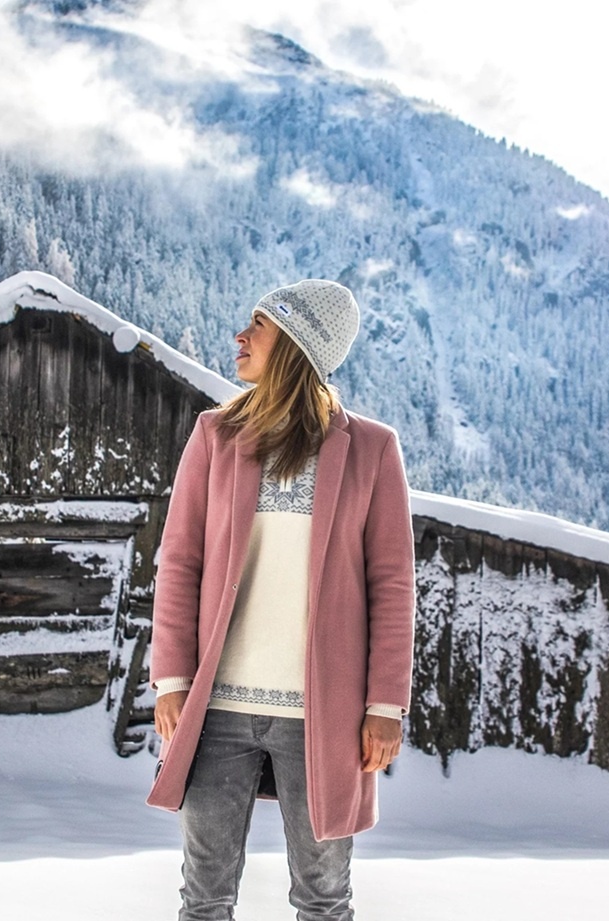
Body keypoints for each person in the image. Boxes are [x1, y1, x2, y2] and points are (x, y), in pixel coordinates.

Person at [146, 279, 416, 921]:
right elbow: (180, 562)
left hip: (324, 714)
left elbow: (393, 584)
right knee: (203, 898)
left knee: (323, 898)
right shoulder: (215, 436)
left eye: (259, 326)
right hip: (216, 709)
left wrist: (385, 704)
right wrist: (171, 681)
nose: (240, 337)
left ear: (297, 344)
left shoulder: (371, 449)